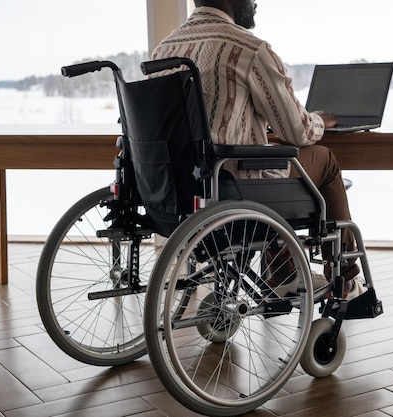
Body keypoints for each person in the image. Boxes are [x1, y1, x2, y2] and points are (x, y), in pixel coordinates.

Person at [151, 0, 364, 298]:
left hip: (175, 189)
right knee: (324, 161)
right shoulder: (248, 49)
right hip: (229, 187)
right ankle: (344, 275)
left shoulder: (164, 49)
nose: (254, 3)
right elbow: (297, 130)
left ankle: (283, 269)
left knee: (267, 160)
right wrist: (319, 120)